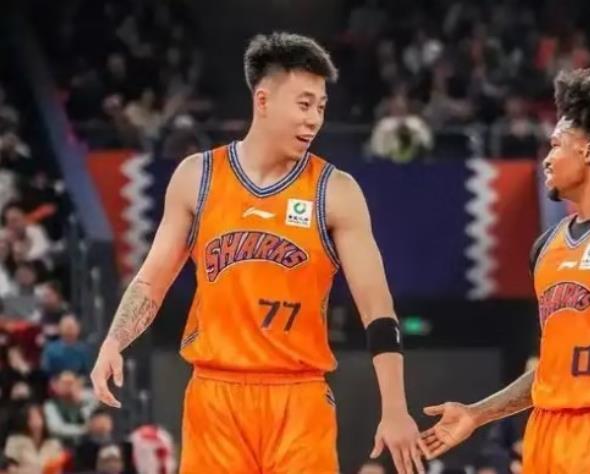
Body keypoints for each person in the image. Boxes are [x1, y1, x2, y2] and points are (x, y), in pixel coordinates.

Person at [90, 32, 425, 474]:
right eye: (304, 104)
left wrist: (395, 408)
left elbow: (378, 310)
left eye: (321, 107)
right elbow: (152, 280)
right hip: (215, 395)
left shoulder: (336, 191)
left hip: (299, 397)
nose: (314, 120)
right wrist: (114, 340)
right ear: (263, 100)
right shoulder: (198, 177)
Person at [420, 66, 590, 473]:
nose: (546, 159)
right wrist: (477, 414)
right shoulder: (546, 246)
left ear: (588, 151)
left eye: (556, 145)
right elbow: (552, 368)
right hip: (544, 430)